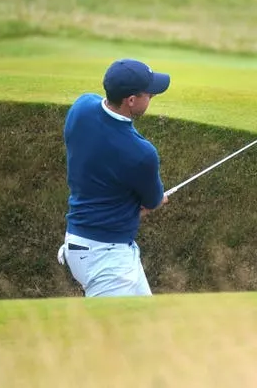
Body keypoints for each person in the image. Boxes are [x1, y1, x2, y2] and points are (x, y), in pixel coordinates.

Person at [56, 58, 171, 297]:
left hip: (85, 240)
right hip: (105, 259)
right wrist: (157, 201)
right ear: (131, 100)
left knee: (150, 326)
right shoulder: (141, 153)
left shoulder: (81, 107)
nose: (152, 97)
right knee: (112, 333)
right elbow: (152, 202)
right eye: (149, 95)